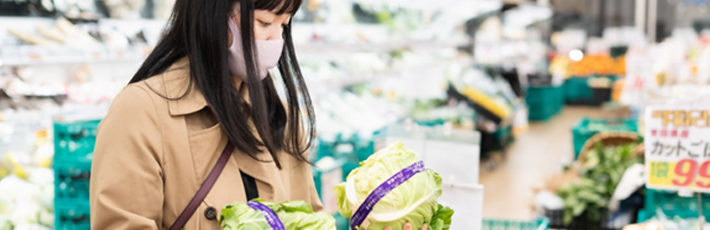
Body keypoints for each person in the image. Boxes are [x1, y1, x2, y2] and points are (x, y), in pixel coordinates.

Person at [89, 0, 426, 229]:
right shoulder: (140, 113)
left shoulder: (280, 116)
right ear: (213, 13)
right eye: (264, 21)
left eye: (284, 24)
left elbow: (309, 218)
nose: (275, 39)